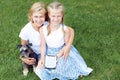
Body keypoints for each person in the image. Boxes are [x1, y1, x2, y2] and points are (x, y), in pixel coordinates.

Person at [35, 1, 93, 80]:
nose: (55, 19)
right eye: (53, 16)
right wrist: (42, 58)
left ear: (62, 15)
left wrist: (57, 57)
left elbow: (66, 46)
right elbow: (43, 45)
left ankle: (74, 70)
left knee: (60, 67)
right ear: (49, 15)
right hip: (49, 52)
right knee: (41, 69)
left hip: (61, 52)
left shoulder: (64, 29)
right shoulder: (43, 29)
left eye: (58, 16)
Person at [19, 2, 74, 76]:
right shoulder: (26, 30)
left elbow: (71, 30)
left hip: (52, 50)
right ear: (31, 16)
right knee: (43, 70)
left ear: (45, 16)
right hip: (39, 53)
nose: (39, 20)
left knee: (60, 65)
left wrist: (68, 46)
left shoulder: (47, 23)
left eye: (41, 16)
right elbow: (23, 47)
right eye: (36, 17)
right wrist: (23, 58)